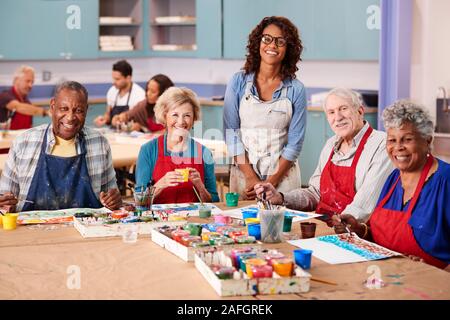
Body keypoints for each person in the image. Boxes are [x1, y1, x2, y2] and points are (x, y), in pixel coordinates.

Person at [335, 101, 449, 269]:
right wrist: (360, 230)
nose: (398, 148)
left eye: (407, 139)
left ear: (427, 141)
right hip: (388, 274)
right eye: (392, 140)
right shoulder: (393, 179)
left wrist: (435, 270)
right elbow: (384, 236)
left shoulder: (445, 180)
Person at [255, 88, 394, 225]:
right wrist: (280, 197)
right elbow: (315, 193)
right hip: (324, 224)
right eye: (331, 112)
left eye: (344, 109)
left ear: (360, 111)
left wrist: (338, 225)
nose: (338, 117)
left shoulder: (381, 145)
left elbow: (363, 207)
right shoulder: (331, 144)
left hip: (354, 230)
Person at [0, 81, 122, 212]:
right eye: (64, 109)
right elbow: (4, 200)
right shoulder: (23, 143)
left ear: (86, 110)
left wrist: (113, 201)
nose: (70, 117)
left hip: (86, 228)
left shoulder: (99, 143)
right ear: (52, 107)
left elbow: (112, 198)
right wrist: (4, 204)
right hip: (32, 229)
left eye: (79, 110)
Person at [223, 16, 307, 200]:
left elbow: (295, 144)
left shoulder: (296, 89)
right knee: (241, 227)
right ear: (258, 42)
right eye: (267, 38)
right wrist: (251, 177)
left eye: (280, 41)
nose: (272, 45)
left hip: (283, 178)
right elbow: (231, 133)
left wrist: (272, 182)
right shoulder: (238, 82)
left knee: (283, 228)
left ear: (288, 48)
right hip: (245, 176)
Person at [136, 87, 219, 203]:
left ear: (194, 119)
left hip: (194, 220)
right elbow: (139, 201)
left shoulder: (204, 152)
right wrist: (160, 185)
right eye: (175, 115)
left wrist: (200, 187)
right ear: (165, 116)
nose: (181, 122)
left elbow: (215, 202)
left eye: (187, 115)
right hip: (159, 219)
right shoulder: (148, 150)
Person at [94, 60, 145, 127]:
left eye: (117, 79)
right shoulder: (112, 91)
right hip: (114, 133)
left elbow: (140, 122)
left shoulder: (139, 94)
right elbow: (108, 114)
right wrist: (104, 119)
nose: (114, 82)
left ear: (128, 78)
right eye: (113, 79)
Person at [0, 65, 49, 130]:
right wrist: (46, 112)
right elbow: (18, 107)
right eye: (27, 81)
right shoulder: (5, 96)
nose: (30, 85)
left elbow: (29, 127)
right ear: (16, 80)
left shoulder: (28, 103)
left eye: (32, 82)